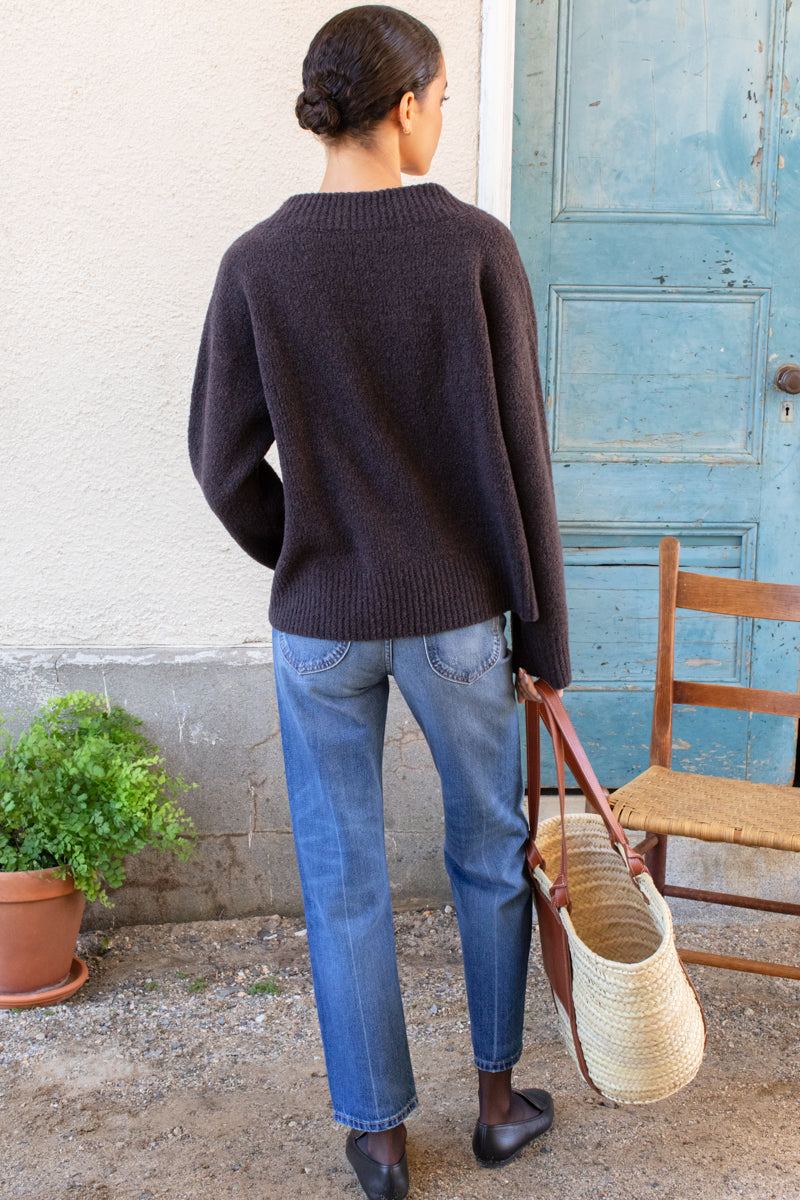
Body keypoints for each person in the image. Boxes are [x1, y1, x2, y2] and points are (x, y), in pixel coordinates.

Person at [188, 6, 571, 1198]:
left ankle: (379, 1140)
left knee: (342, 874)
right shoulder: (473, 247)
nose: (444, 120)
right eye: (444, 99)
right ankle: (497, 1105)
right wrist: (541, 635)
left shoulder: (257, 261)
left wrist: (300, 548)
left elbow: (218, 462)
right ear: (403, 106)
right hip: (457, 616)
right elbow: (520, 455)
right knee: (489, 850)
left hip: (318, 626)